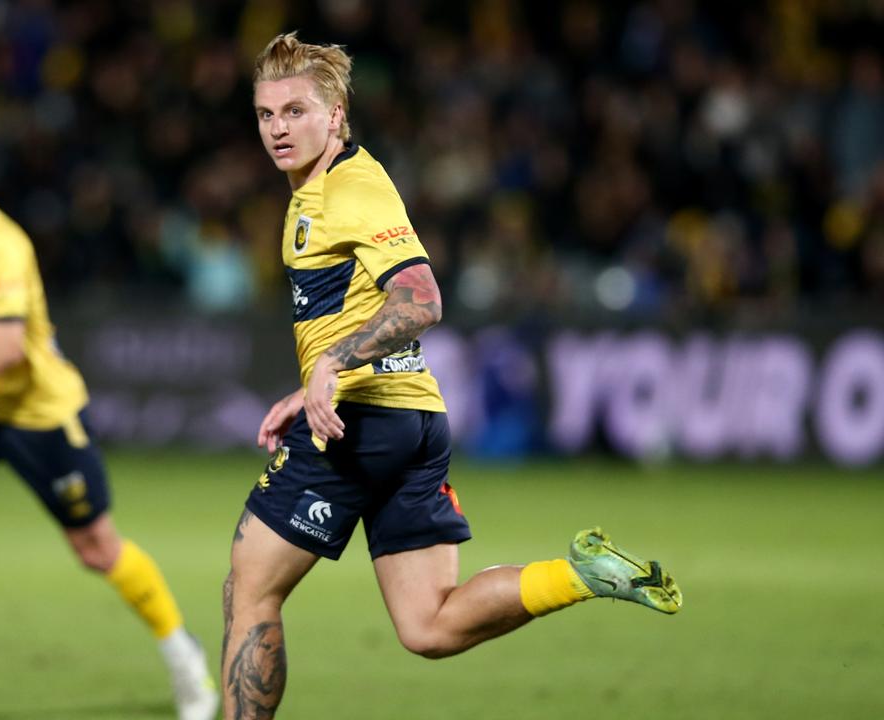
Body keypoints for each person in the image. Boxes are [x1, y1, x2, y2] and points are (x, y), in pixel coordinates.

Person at [221, 33, 683, 718]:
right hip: (411, 419)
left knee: (251, 588)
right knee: (428, 625)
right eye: (266, 115)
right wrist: (315, 380)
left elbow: (421, 298)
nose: (278, 129)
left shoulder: (351, 187)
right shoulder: (319, 189)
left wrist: (332, 365)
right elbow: (354, 309)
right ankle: (580, 575)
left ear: (337, 115)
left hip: (361, 426)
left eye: (295, 111)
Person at [0, 118, 218, 720]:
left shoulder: (0, 244)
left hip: (41, 415)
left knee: (96, 549)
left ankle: (181, 652)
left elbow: (5, 347)